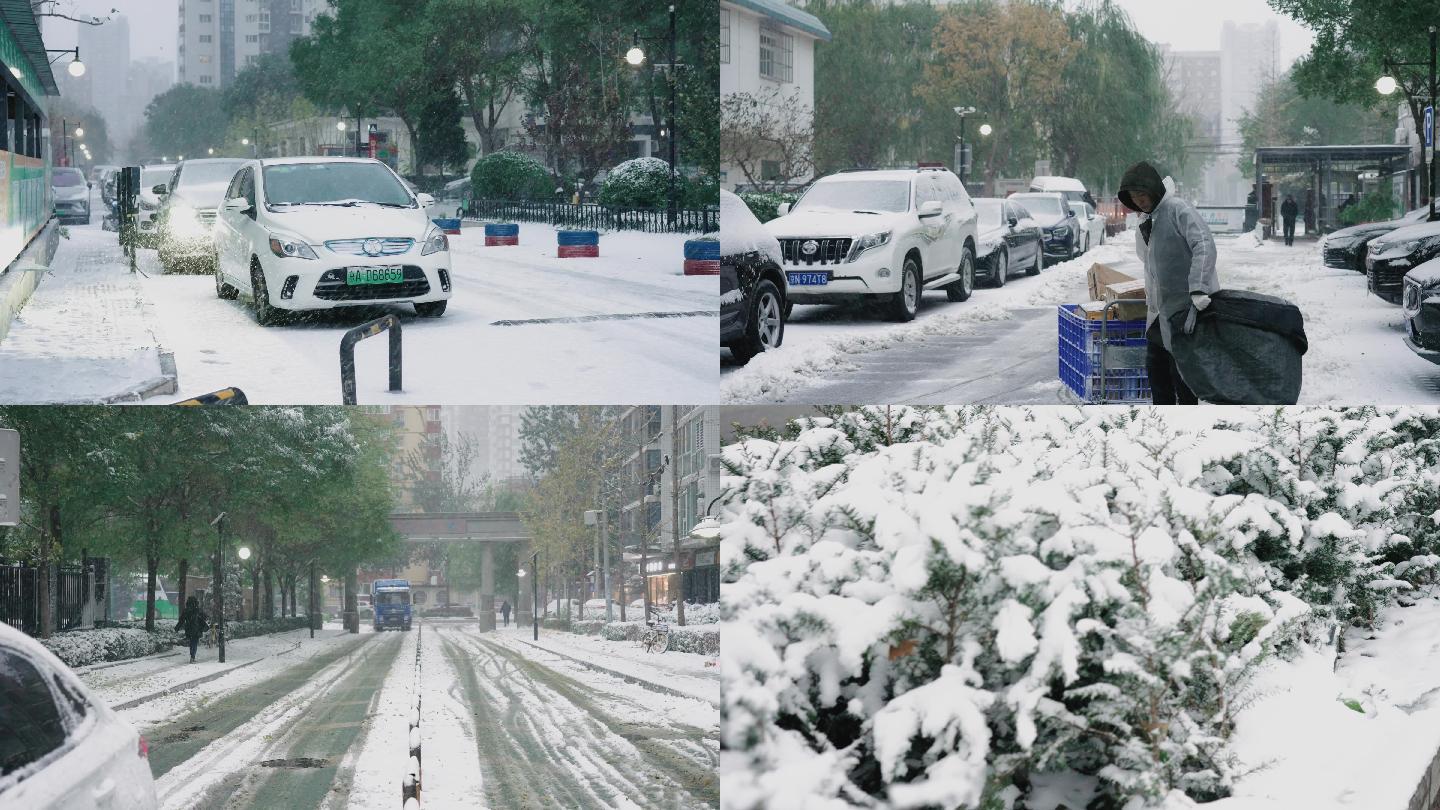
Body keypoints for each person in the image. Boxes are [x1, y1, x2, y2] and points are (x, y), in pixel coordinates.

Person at [1117, 161, 1220, 405]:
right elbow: (1149, 260)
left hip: (1185, 311)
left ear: (1153, 189)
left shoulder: (1177, 209)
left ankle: (1188, 430)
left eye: (1142, 195)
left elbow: (1204, 244)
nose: (1139, 201)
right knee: (1157, 373)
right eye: (1134, 198)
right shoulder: (1147, 219)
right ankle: (1161, 426)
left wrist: (1198, 287)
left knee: (1182, 377)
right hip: (1159, 315)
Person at [175, 596, 209, 664]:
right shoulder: (198, 610)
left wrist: (177, 628)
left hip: (188, 629)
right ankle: (192, 657)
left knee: (191, 642)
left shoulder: (186, 610)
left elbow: (181, 620)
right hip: (196, 629)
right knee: (194, 643)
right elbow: (205, 617)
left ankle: (192, 655)